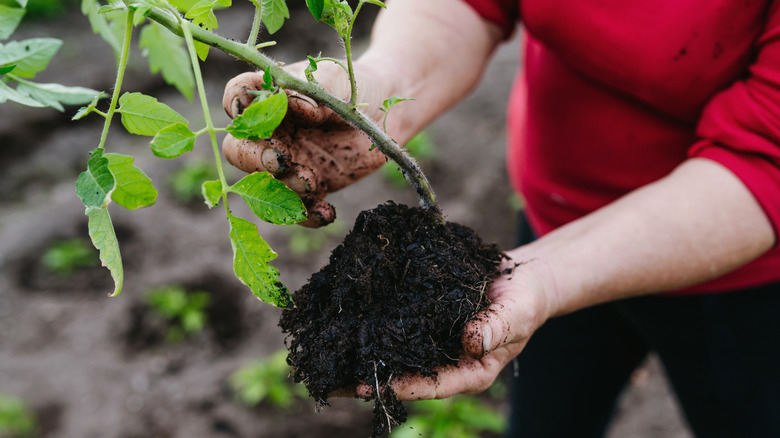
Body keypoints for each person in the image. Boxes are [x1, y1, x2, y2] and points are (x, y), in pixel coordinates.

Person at [222, 0, 780, 436]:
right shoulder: (525, 269)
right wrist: (387, 83)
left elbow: (764, 158)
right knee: (546, 420)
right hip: (549, 231)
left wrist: (549, 277)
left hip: (736, 277)